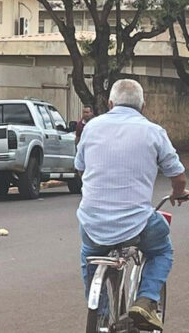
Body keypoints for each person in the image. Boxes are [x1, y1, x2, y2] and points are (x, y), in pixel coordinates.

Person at [76, 79, 188, 331]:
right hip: (136, 223)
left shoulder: (92, 127)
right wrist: (178, 193)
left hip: (93, 222)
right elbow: (178, 176)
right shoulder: (153, 131)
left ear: (110, 103)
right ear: (143, 106)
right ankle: (146, 300)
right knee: (161, 250)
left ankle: (101, 316)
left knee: (89, 256)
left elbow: (80, 169)